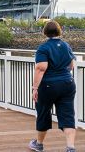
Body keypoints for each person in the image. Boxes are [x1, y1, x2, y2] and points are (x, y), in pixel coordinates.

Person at [29, 21, 77, 152]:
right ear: (59, 31)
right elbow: (71, 65)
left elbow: (41, 68)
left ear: (45, 32)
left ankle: (38, 144)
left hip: (49, 85)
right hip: (68, 83)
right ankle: (70, 147)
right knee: (67, 115)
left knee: (43, 112)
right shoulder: (66, 46)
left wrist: (35, 88)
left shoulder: (43, 48)